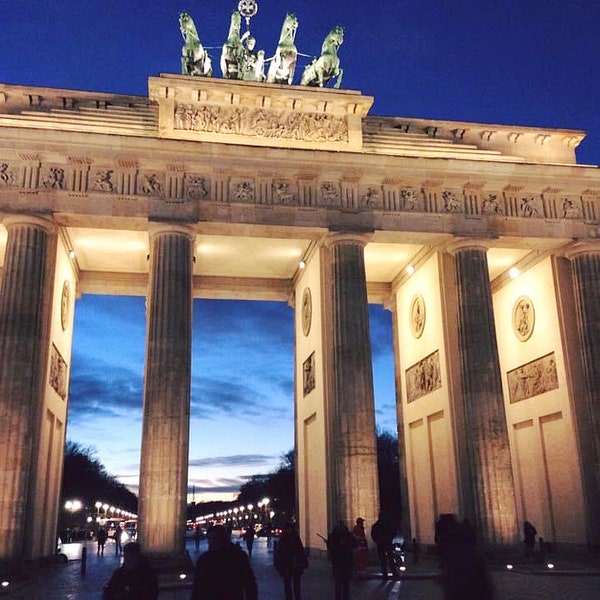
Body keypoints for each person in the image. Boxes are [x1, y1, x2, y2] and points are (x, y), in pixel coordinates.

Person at [191, 524, 258, 600]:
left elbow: (198, 586)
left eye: (213, 539)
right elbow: (250, 583)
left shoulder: (205, 559)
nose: (210, 542)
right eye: (210, 539)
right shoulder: (239, 556)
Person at [274, 521, 308, 600]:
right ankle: (290, 597)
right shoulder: (287, 539)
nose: (289, 530)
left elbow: (300, 550)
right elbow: (280, 553)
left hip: (294, 564)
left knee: (295, 584)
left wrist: (303, 561)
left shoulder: (291, 538)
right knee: (288, 584)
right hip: (287, 565)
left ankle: (296, 597)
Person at [327, 521, 355, 600]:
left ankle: (339, 598)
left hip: (339, 562)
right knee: (344, 583)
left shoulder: (333, 536)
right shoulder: (348, 535)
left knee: (339, 583)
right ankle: (344, 597)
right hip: (344, 562)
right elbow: (355, 544)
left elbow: (330, 547)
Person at [371, 513, 396, 579]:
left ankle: (385, 574)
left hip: (381, 544)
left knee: (383, 559)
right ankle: (394, 572)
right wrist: (390, 539)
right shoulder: (387, 525)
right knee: (390, 558)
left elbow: (373, 535)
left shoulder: (376, 525)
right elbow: (393, 532)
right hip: (387, 543)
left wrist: (377, 540)